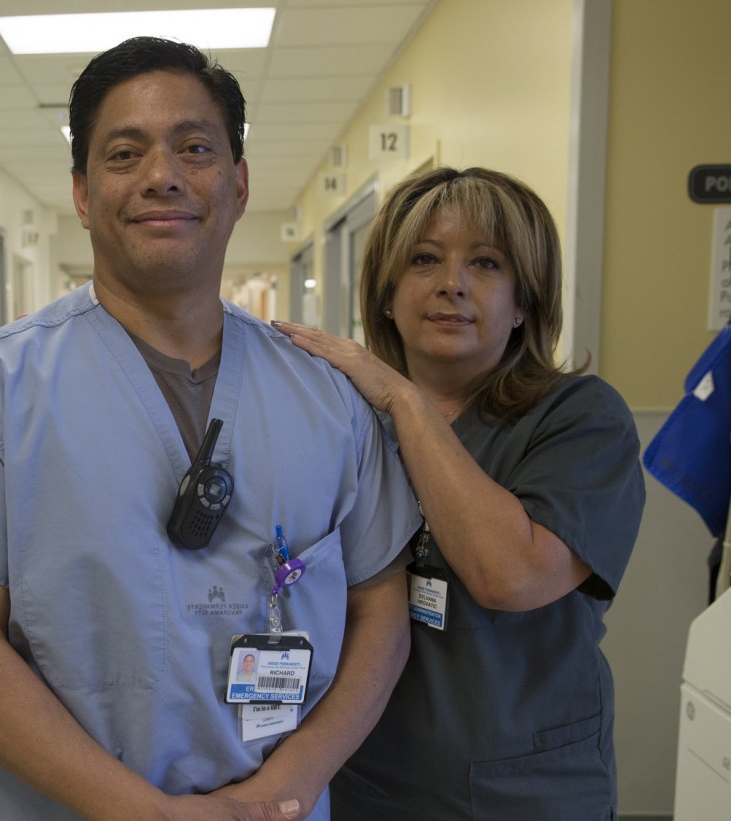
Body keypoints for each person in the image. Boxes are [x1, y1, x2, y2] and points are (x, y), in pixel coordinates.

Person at [0, 37, 420, 821]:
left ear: (239, 184)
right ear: (82, 194)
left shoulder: (329, 396)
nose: (162, 175)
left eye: (194, 148)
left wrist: (277, 795)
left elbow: (381, 610)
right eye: (125, 153)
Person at [274, 166, 646, 819]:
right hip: (364, 779)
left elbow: (510, 575)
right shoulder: (342, 422)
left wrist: (404, 400)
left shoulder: (581, 418)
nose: (453, 282)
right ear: (386, 295)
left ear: (524, 302)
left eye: (486, 263)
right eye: (424, 259)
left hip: (523, 790)